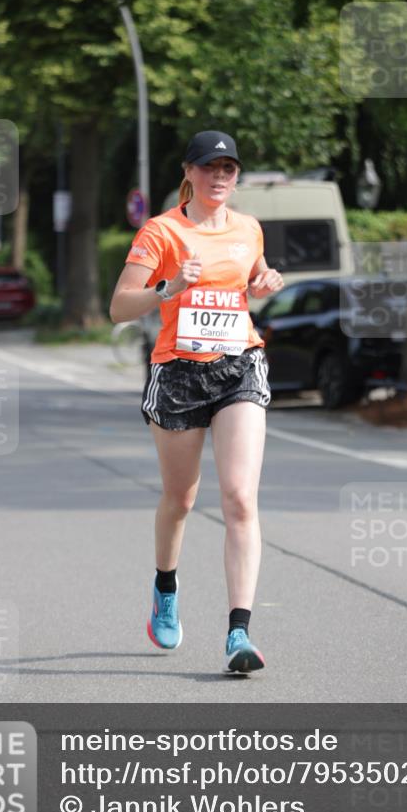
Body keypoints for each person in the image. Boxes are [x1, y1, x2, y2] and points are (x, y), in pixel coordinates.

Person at [110, 130, 284, 673]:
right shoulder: (161, 232)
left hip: (239, 367)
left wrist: (263, 281)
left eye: (229, 168)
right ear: (188, 172)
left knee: (239, 499)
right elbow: (118, 307)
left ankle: (239, 633)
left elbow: (247, 280)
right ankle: (166, 586)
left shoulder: (248, 229)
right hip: (178, 373)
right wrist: (168, 289)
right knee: (181, 499)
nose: (220, 176)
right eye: (209, 167)